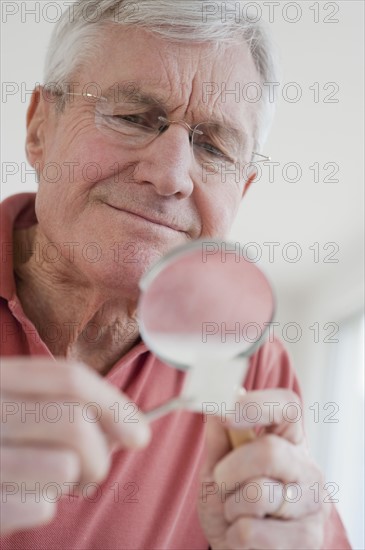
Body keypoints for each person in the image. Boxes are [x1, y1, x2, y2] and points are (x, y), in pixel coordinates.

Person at [0, 1, 351, 548]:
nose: (170, 176)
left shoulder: (250, 359)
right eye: (133, 117)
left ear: (243, 191)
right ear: (40, 127)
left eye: (213, 147)